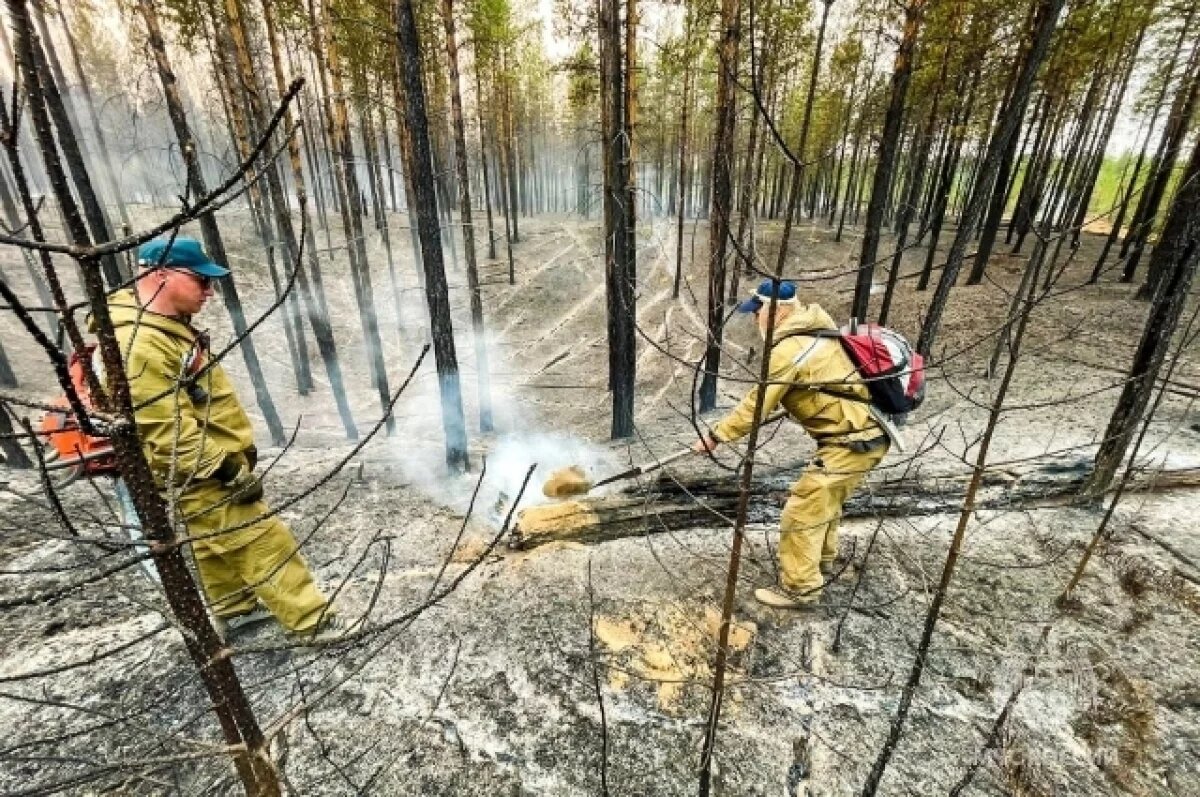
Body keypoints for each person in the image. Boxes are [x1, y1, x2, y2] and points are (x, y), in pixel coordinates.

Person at [95, 236, 337, 638]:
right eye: (200, 281)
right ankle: (313, 622)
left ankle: (237, 611)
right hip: (201, 468)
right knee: (259, 538)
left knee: (212, 540)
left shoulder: (163, 328)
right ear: (160, 276)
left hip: (198, 468)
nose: (209, 291)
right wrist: (226, 468)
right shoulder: (140, 342)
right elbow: (167, 430)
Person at [693, 279, 890, 610]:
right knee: (824, 503)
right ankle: (823, 563)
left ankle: (800, 589)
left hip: (850, 442)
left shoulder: (788, 349)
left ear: (777, 310)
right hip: (866, 436)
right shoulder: (817, 336)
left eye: (758, 311)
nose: (756, 319)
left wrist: (715, 436)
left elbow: (758, 403)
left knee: (801, 511)